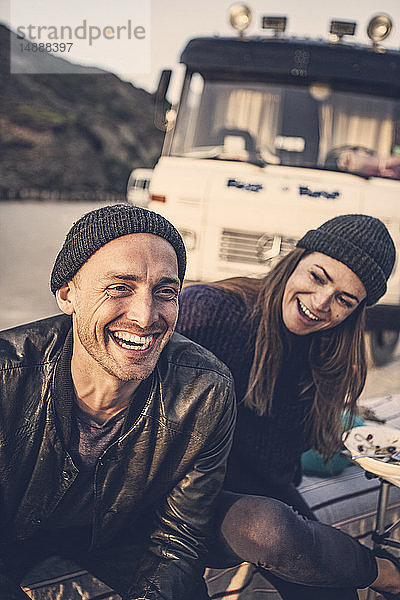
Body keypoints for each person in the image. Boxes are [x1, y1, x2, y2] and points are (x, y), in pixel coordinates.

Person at [0, 204, 236, 600]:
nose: (145, 317)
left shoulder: (204, 392)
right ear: (67, 294)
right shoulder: (8, 378)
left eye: (165, 292)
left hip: (116, 539)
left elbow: (178, 540)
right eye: (119, 288)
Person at [176, 213, 400, 600]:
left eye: (344, 300)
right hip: (185, 491)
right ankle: (386, 573)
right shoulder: (206, 310)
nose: (320, 303)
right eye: (318, 277)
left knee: (333, 589)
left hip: (262, 488)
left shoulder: (327, 355)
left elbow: (280, 463)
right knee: (276, 531)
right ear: (296, 259)